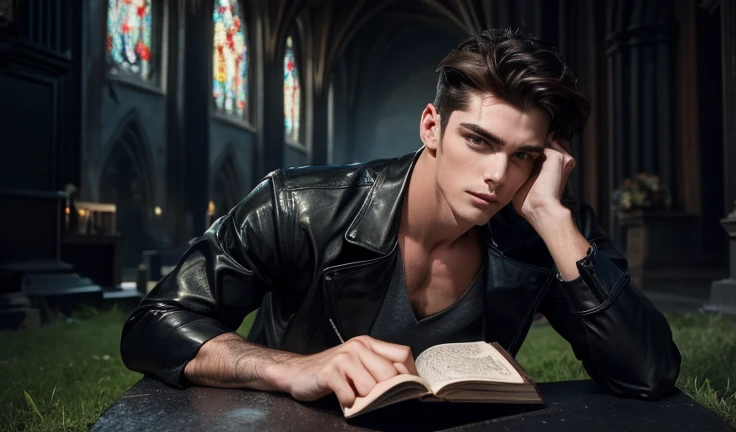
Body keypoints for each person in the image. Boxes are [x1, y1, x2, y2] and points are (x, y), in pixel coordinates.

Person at [121, 28, 681, 409]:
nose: (496, 174)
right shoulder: (299, 204)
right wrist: (291, 368)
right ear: (432, 126)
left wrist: (552, 219)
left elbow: (647, 372)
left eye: (522, 155)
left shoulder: (538, 224)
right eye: (479, 140)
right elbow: (155, 324)